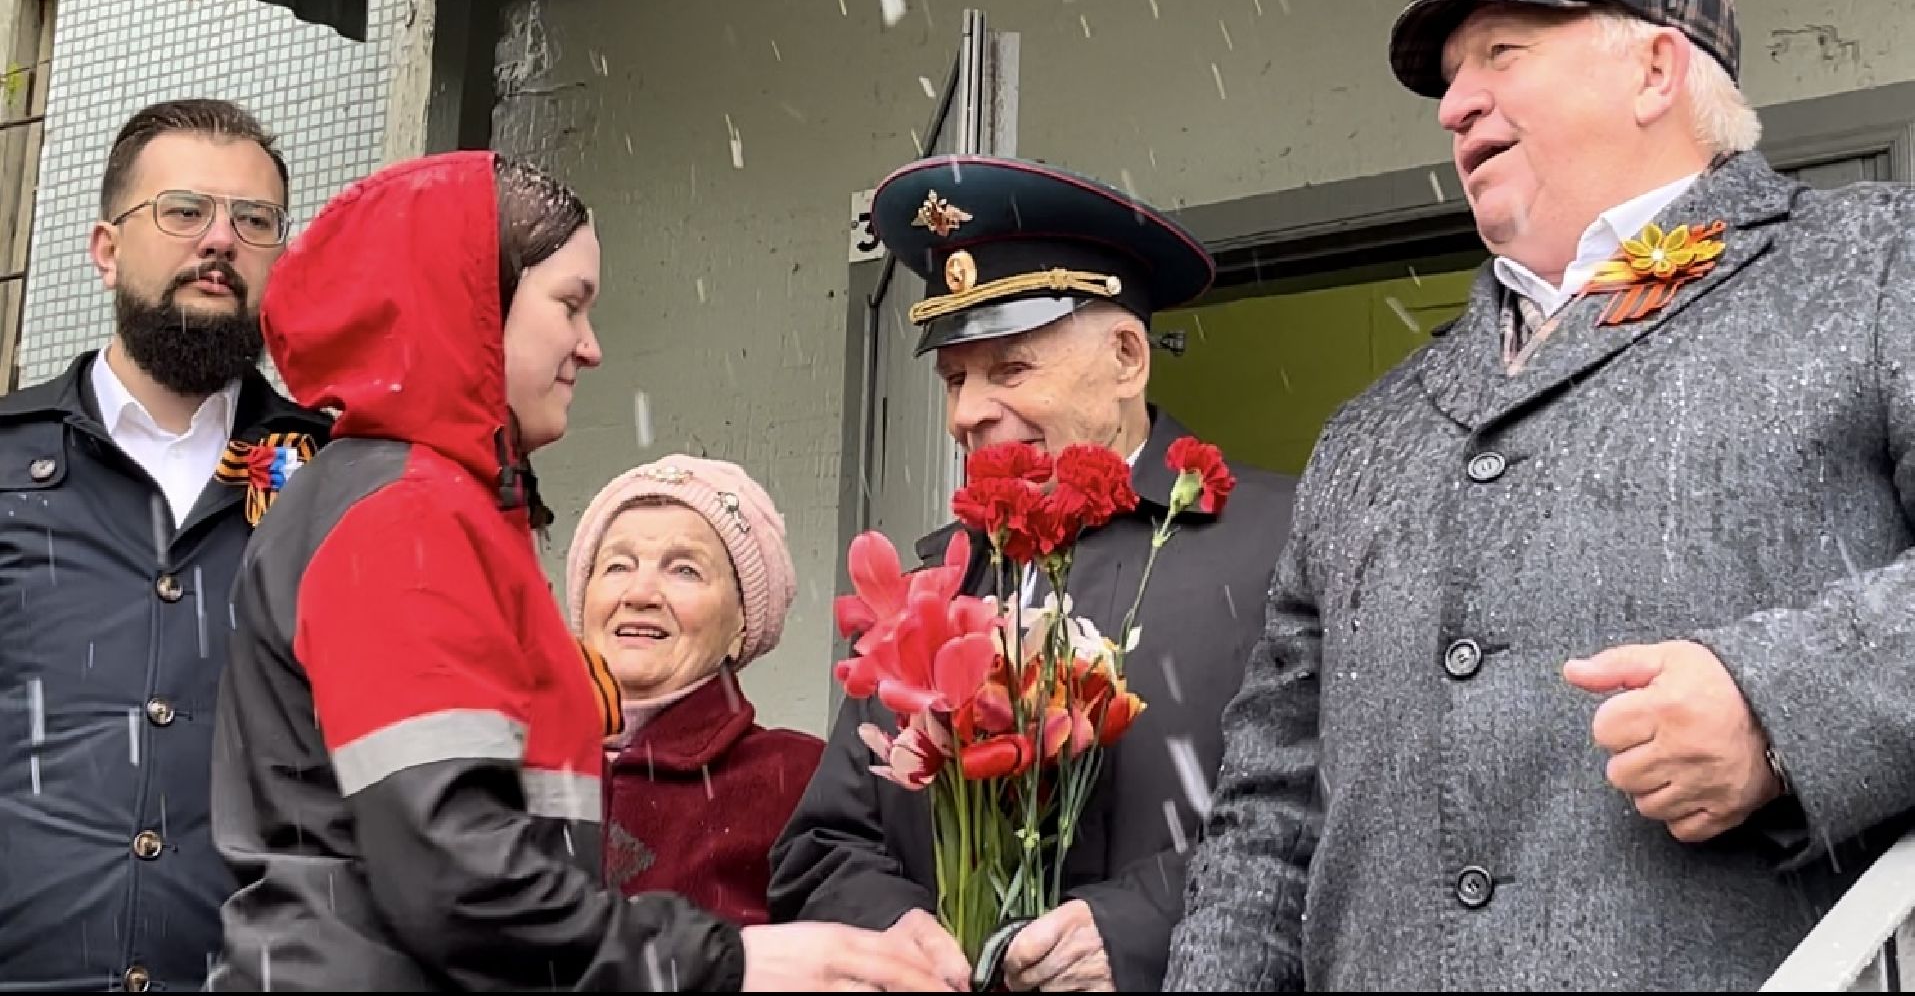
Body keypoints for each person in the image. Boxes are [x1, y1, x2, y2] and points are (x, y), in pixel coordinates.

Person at [1166, 0, 1915, 992]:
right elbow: (1269, 819)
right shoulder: (1365, 434)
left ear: (1655, 68)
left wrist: (1780, 705)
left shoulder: (1878, 262)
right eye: (1451, 78)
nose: (1453, 104)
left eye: (1500, 54)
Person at [205, 150, 956, 991]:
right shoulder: (407, 516)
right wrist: (728, 960)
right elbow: (457, 883)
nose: (591, 348)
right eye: (570, 305)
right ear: (474, 308)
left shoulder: (418, 500)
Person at [768, 154, 1298, 992]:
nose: (965, 412)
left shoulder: (1285, 541)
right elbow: (821, 848)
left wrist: (1137, 929)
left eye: (1009, 369)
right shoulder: (937, 585)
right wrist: (897, 930)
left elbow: (1343, 809)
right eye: (953, 379)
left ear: (1127, 356)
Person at [0, 98, 328, 993]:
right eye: (184, 211)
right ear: (106, 248)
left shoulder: (337, 477)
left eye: (252, 220)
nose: (220, 239)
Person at [565, 454, 827, 925]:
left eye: (684, 570)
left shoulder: (799, 779)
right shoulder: (507, 762)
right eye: (618, 566)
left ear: (742, 620)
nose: (640, 593)